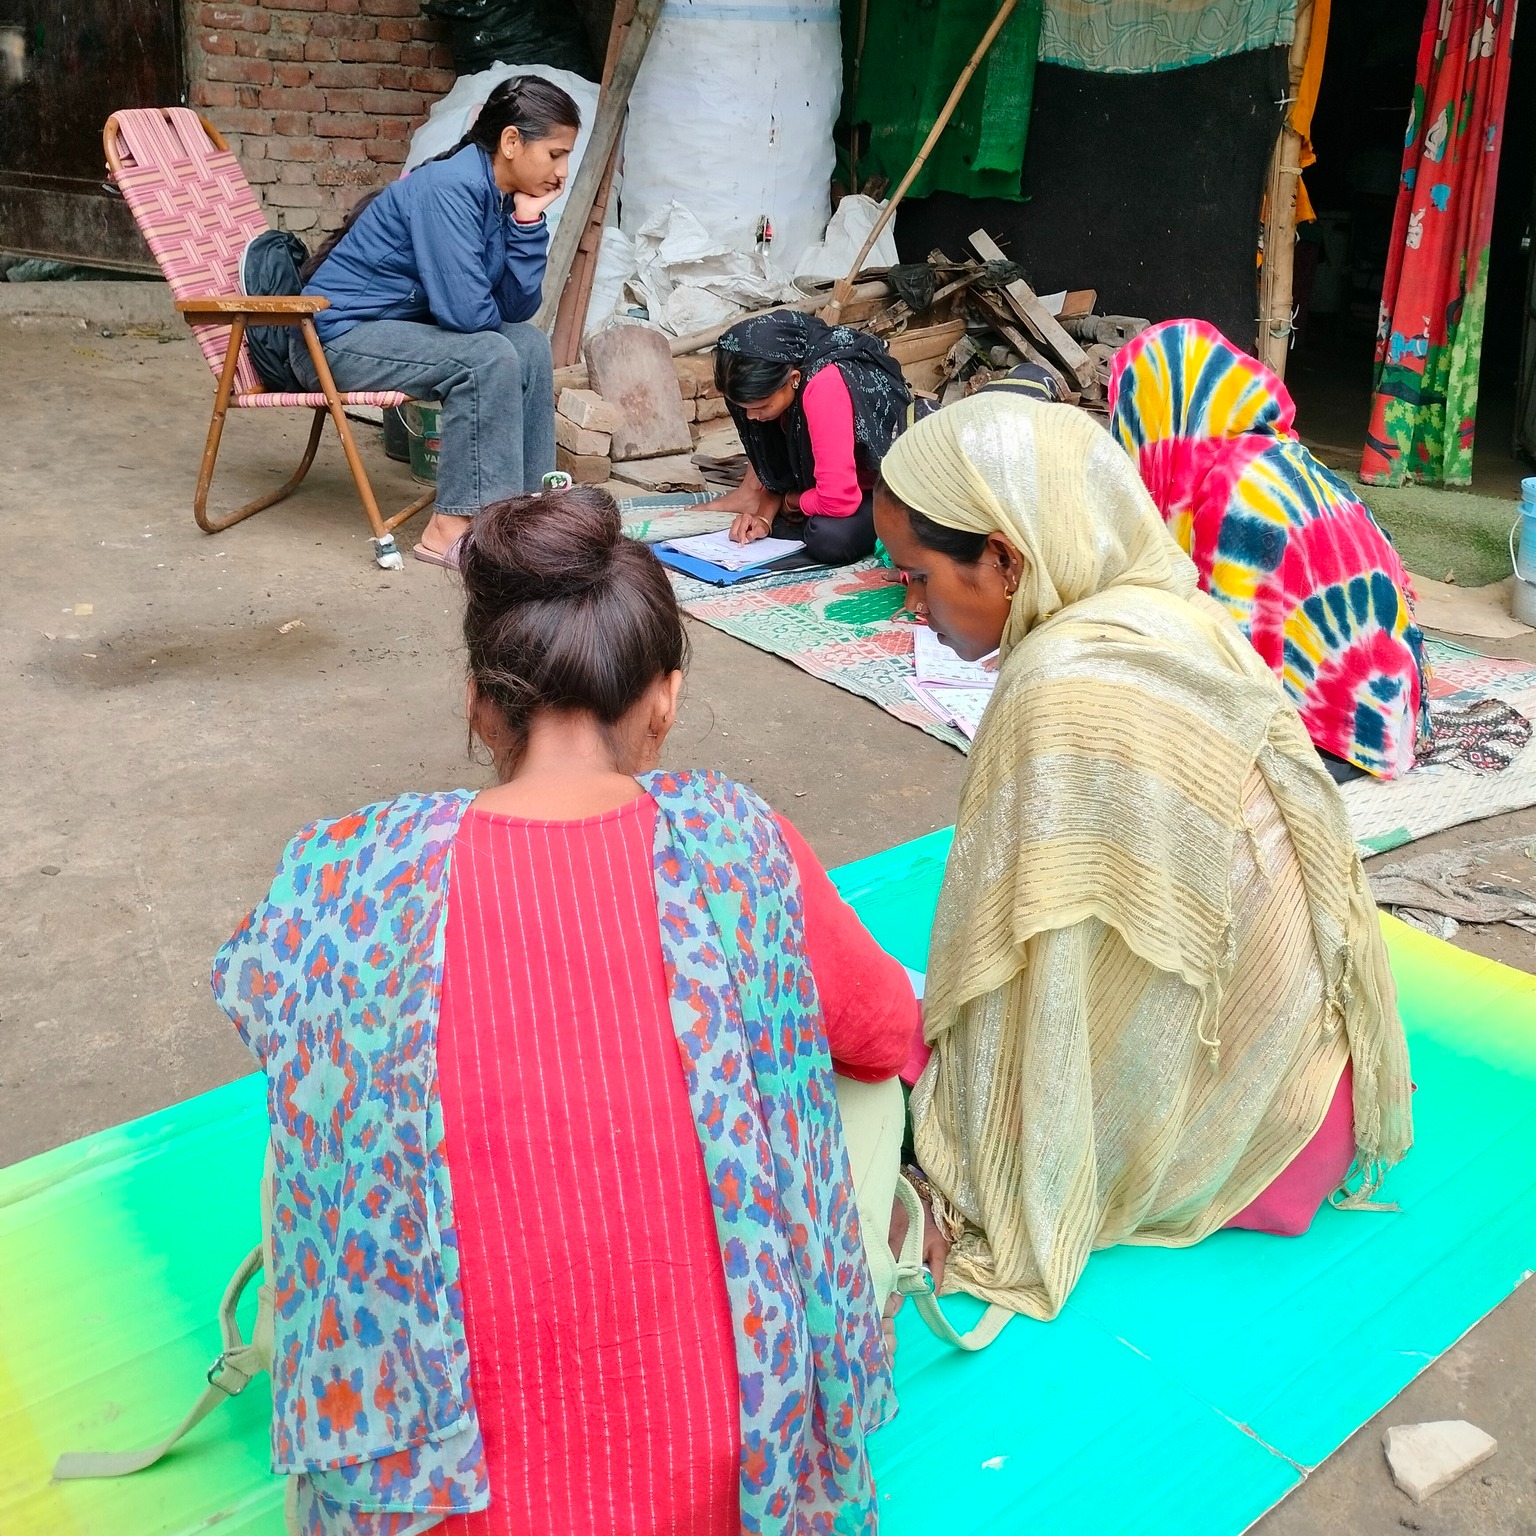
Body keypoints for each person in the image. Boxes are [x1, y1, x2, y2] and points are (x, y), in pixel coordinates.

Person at [212, 486, 916, 1534]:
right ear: (666, 698)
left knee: (320, 1117)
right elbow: (880, 1034)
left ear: (478, 704)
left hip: (432, 1493)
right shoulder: (738, 841)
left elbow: (272, 1020)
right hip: (732, 1475)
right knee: (847, 1086)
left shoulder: (342, 875)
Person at [874, 394, 1414, 1324]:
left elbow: (1023, 990)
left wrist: (957, 1142)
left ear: (1005, 557)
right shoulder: (1170, 613)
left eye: (918, 577)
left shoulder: (1058, 683)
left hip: (1237, 1141)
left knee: (903, 1052)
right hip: (1318, 1097)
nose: (911, 607)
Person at [1107, 317, 1430, 780]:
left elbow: (1229, 663)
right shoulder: (1276, 452)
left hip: (1341, 735)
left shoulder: (1234, 492)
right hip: (1391, 703)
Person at [294, 77, 579, 569]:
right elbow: (468, 316)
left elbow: (514, 311)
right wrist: (485, 308)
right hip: (331, 340)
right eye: (555, 154)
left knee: (528, 344)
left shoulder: (496, 196)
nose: (563, 172)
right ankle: (452, 529)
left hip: (395, 332)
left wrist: (528, 225)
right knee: (485, 357)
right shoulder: (450, 188)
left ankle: (528, 516)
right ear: (511, 142)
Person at [709, 311, 910, 566]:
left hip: (879, 490)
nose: (751, 417)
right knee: (806, 525)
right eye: (744, 408)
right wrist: (763, 519)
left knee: (829, 537)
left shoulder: (823, 386)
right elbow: (779, 475)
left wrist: (792, 502)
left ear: (793, 379)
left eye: (761, 406)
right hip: (830, 489)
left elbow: (838, 500)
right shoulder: (766, 398)